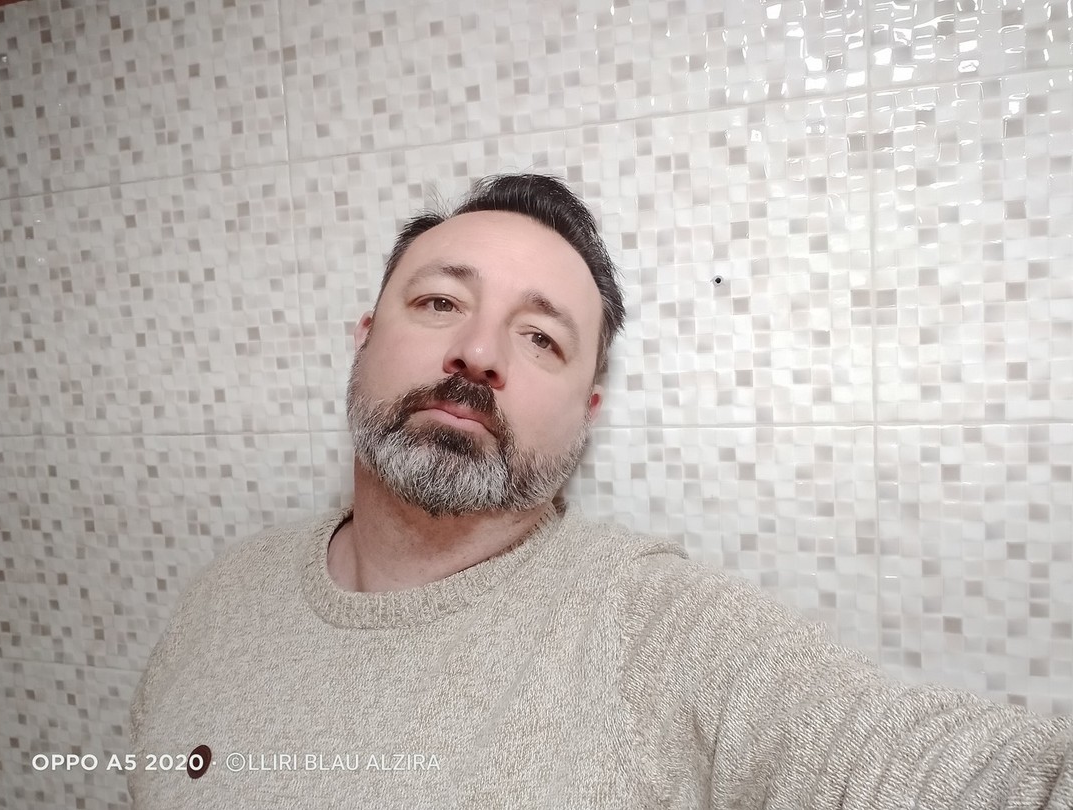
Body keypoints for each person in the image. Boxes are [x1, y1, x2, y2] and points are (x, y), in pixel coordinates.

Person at [129, 173, 1073, 809]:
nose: (479, 352)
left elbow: (969, 774)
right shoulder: (222, 599)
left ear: (587, 410)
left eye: (541, 337)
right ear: (364, 335)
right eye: (440, 302)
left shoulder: (657, 629)